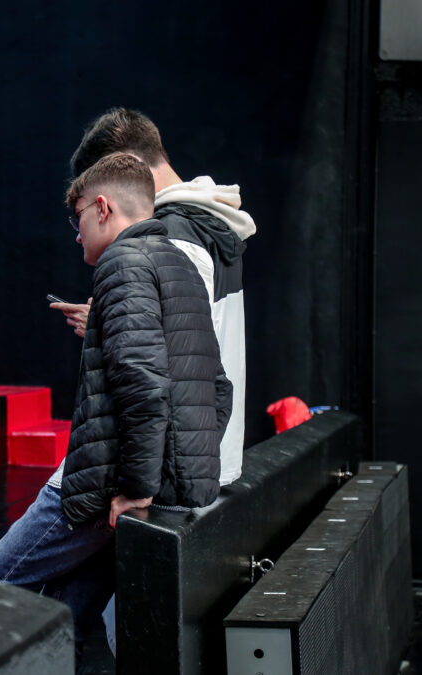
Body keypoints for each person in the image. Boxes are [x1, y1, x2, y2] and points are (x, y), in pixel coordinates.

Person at [0, 153, 231, 647]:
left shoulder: (122, 262)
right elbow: (216, 386)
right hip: (165, 489)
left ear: (102, 207)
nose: (76, 234)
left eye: (79, 219)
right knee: (72, 616)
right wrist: (175, 473)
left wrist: (137, 487)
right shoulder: (180, 264)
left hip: (110, 489)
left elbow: (144, 384)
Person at [55, 107, 254, 486]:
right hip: (202, 456)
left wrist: (110, 326)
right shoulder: (208, 222)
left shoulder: (173, 234)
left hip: (175, 468)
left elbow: (161, 369)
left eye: (105, 177)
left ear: (127, 165)